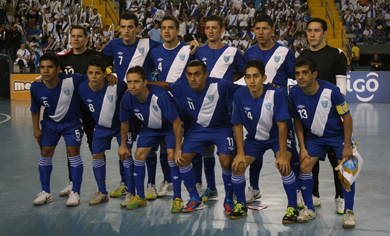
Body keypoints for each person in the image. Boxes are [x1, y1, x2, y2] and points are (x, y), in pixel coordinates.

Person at [152, 60, 241, 214]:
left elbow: (244, 92)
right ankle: (194, 197)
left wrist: (268, 88)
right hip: (198, 129)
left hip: (222, 128)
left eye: (197, 74)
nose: (193, 78)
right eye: (190, 74)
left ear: (206, 75)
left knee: (226, 160)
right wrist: (145, 84)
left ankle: (229, 198)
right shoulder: (182, 85)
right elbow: (166, 85)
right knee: (182, 159)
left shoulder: (221, 85)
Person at [290, 57, 356, 229]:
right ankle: (309, 208)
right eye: (297, 74)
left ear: (314, 74)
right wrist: (302, 147)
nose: (301, 77)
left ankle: (349, 212)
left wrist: (347, 146)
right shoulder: (295, 93)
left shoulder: (331, 91)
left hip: (337, 136)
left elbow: (347, 118)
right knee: (304, 166)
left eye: (305, 73)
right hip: (315, 137)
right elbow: (296, 120)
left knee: (347, 168)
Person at [241, 13, 299, 205]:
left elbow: (296, 78)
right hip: (257, 112)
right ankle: (254, 188)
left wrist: (282, 92)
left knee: (289, 154)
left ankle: (297, 190)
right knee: (255, 152)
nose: (261, 32)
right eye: (257, 29)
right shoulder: (249, 52)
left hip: (280, 112)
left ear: (273, 30)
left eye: (265, 28)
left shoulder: (285, 52)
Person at [230, 59, 298, 223]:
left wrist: (281, 154)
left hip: (276, 137)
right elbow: (237, 125)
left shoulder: (276, 94)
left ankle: (292, 207)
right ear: (244, 79)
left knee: (284, 165)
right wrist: (240, 153)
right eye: (248, 77)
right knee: (238, 166)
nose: (252, 81)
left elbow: (283, 127)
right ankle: (240, 204)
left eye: (256, 76)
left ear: (264, 77)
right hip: (255, 139)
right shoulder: (239, 95)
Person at [56, 25, 118, 199]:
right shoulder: (63, 58)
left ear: (86, 38)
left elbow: (106, 70)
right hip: (71, 109)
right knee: (72, 147)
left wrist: (109, 74)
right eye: (73, 36)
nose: (76, 39)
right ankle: (71, 182)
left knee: (95, 147)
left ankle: (101, 186)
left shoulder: (95, 56)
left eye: (79, 36)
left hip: (92, 109)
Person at [298, 18, 348, 214]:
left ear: (325, 33)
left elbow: (341, 89)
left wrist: (330, 109)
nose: (312, 34)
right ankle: (314, 195)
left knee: (338, 160)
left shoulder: (337, 54)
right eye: (309, 30)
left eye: (316, 30)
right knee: (312, 159)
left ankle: (340, 197)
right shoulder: (303, 54)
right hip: (309, 117)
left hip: (333, 118)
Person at [194, 15, 245, 203]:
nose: (210, 31)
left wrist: (227, 86)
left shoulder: (233, 52)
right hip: (204, 108)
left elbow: (242, 73)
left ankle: (229, 196)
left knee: (226, 155)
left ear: (222, 30)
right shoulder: (199, 52)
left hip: (225, 109)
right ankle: (211, 188)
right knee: (207, 148)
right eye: (207, 27)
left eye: (214, 27)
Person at [118, 66, 183, 212]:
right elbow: (124, 122)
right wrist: (123, 145)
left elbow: (177, 122)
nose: (132, 86)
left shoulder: (160, 95)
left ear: (145, 82)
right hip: (149, 129)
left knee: (172, 156)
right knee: (139, 155)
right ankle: (140, 197)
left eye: (136, 82)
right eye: (129, 82)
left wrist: (179, 149)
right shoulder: (127, 98)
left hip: (168, 128)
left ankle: (177, 198)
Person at [78, 55, 134, 206]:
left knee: (125, 153)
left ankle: (130, 191)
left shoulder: (117, 85)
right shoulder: (82, 88)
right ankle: (102, 192)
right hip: (101, 127)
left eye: (97, 73)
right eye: (90, 73)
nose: (94, 76)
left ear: (105, 74)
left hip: (120, 126)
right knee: (96, 155)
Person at [31, 53, 86, 207]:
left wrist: (108, 76)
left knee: (73, 152)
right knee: (45, 153)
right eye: (42, 67)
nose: (45, 71)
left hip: (72, 123)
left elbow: (93, 77)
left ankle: (75, 192)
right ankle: (45, 192)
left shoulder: (72, 79)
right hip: (50, 125)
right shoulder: (36, 86)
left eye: (49, 67)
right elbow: (35, 109)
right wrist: (36, 128)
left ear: (58, 69)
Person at [149, 15, 195, 199]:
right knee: (164, 143)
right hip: (163, 104)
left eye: (170, 28)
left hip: (185, 104)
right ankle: (168, 180)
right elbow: (153, 74)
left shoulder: (189, 50)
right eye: (163, 28)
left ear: (178, 31)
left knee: (191, 144)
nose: (167, 31)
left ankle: (197, 183)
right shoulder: (154, 52)